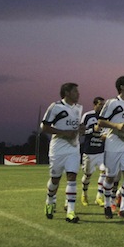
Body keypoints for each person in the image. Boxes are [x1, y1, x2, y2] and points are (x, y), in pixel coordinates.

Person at [41, 82, 84, 223]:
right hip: (58, 149)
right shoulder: (56, 107)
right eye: (75, 91)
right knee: (55, 179)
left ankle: (71, 212)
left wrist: (80, 130)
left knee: (72, 177)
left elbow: (76, 126)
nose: (78, 94)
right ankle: (50, 200)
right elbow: (45, 126)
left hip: (73, 148)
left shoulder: (79, 108)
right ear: (67, 93)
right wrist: (63, 133)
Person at [98, 75, 124, 221]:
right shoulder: (112, 103)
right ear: (122, 87)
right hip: (113, 144)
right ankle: (107, 204)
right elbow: (101, 122)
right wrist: (115, 126)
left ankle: (122, 209)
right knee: (110, 177)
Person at [79, 96, 106, 207]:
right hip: (89, 151)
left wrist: (105, 136)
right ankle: (84, 194)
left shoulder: (106, 117)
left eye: (103, 105)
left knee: (104, 171)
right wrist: (92, 130)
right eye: (100, 104)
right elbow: (81, 132)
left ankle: (99, 197)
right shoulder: (87, 116)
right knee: (88, 175)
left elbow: (107, 131)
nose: (102, 106)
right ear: (94, 105)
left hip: (101, 151)